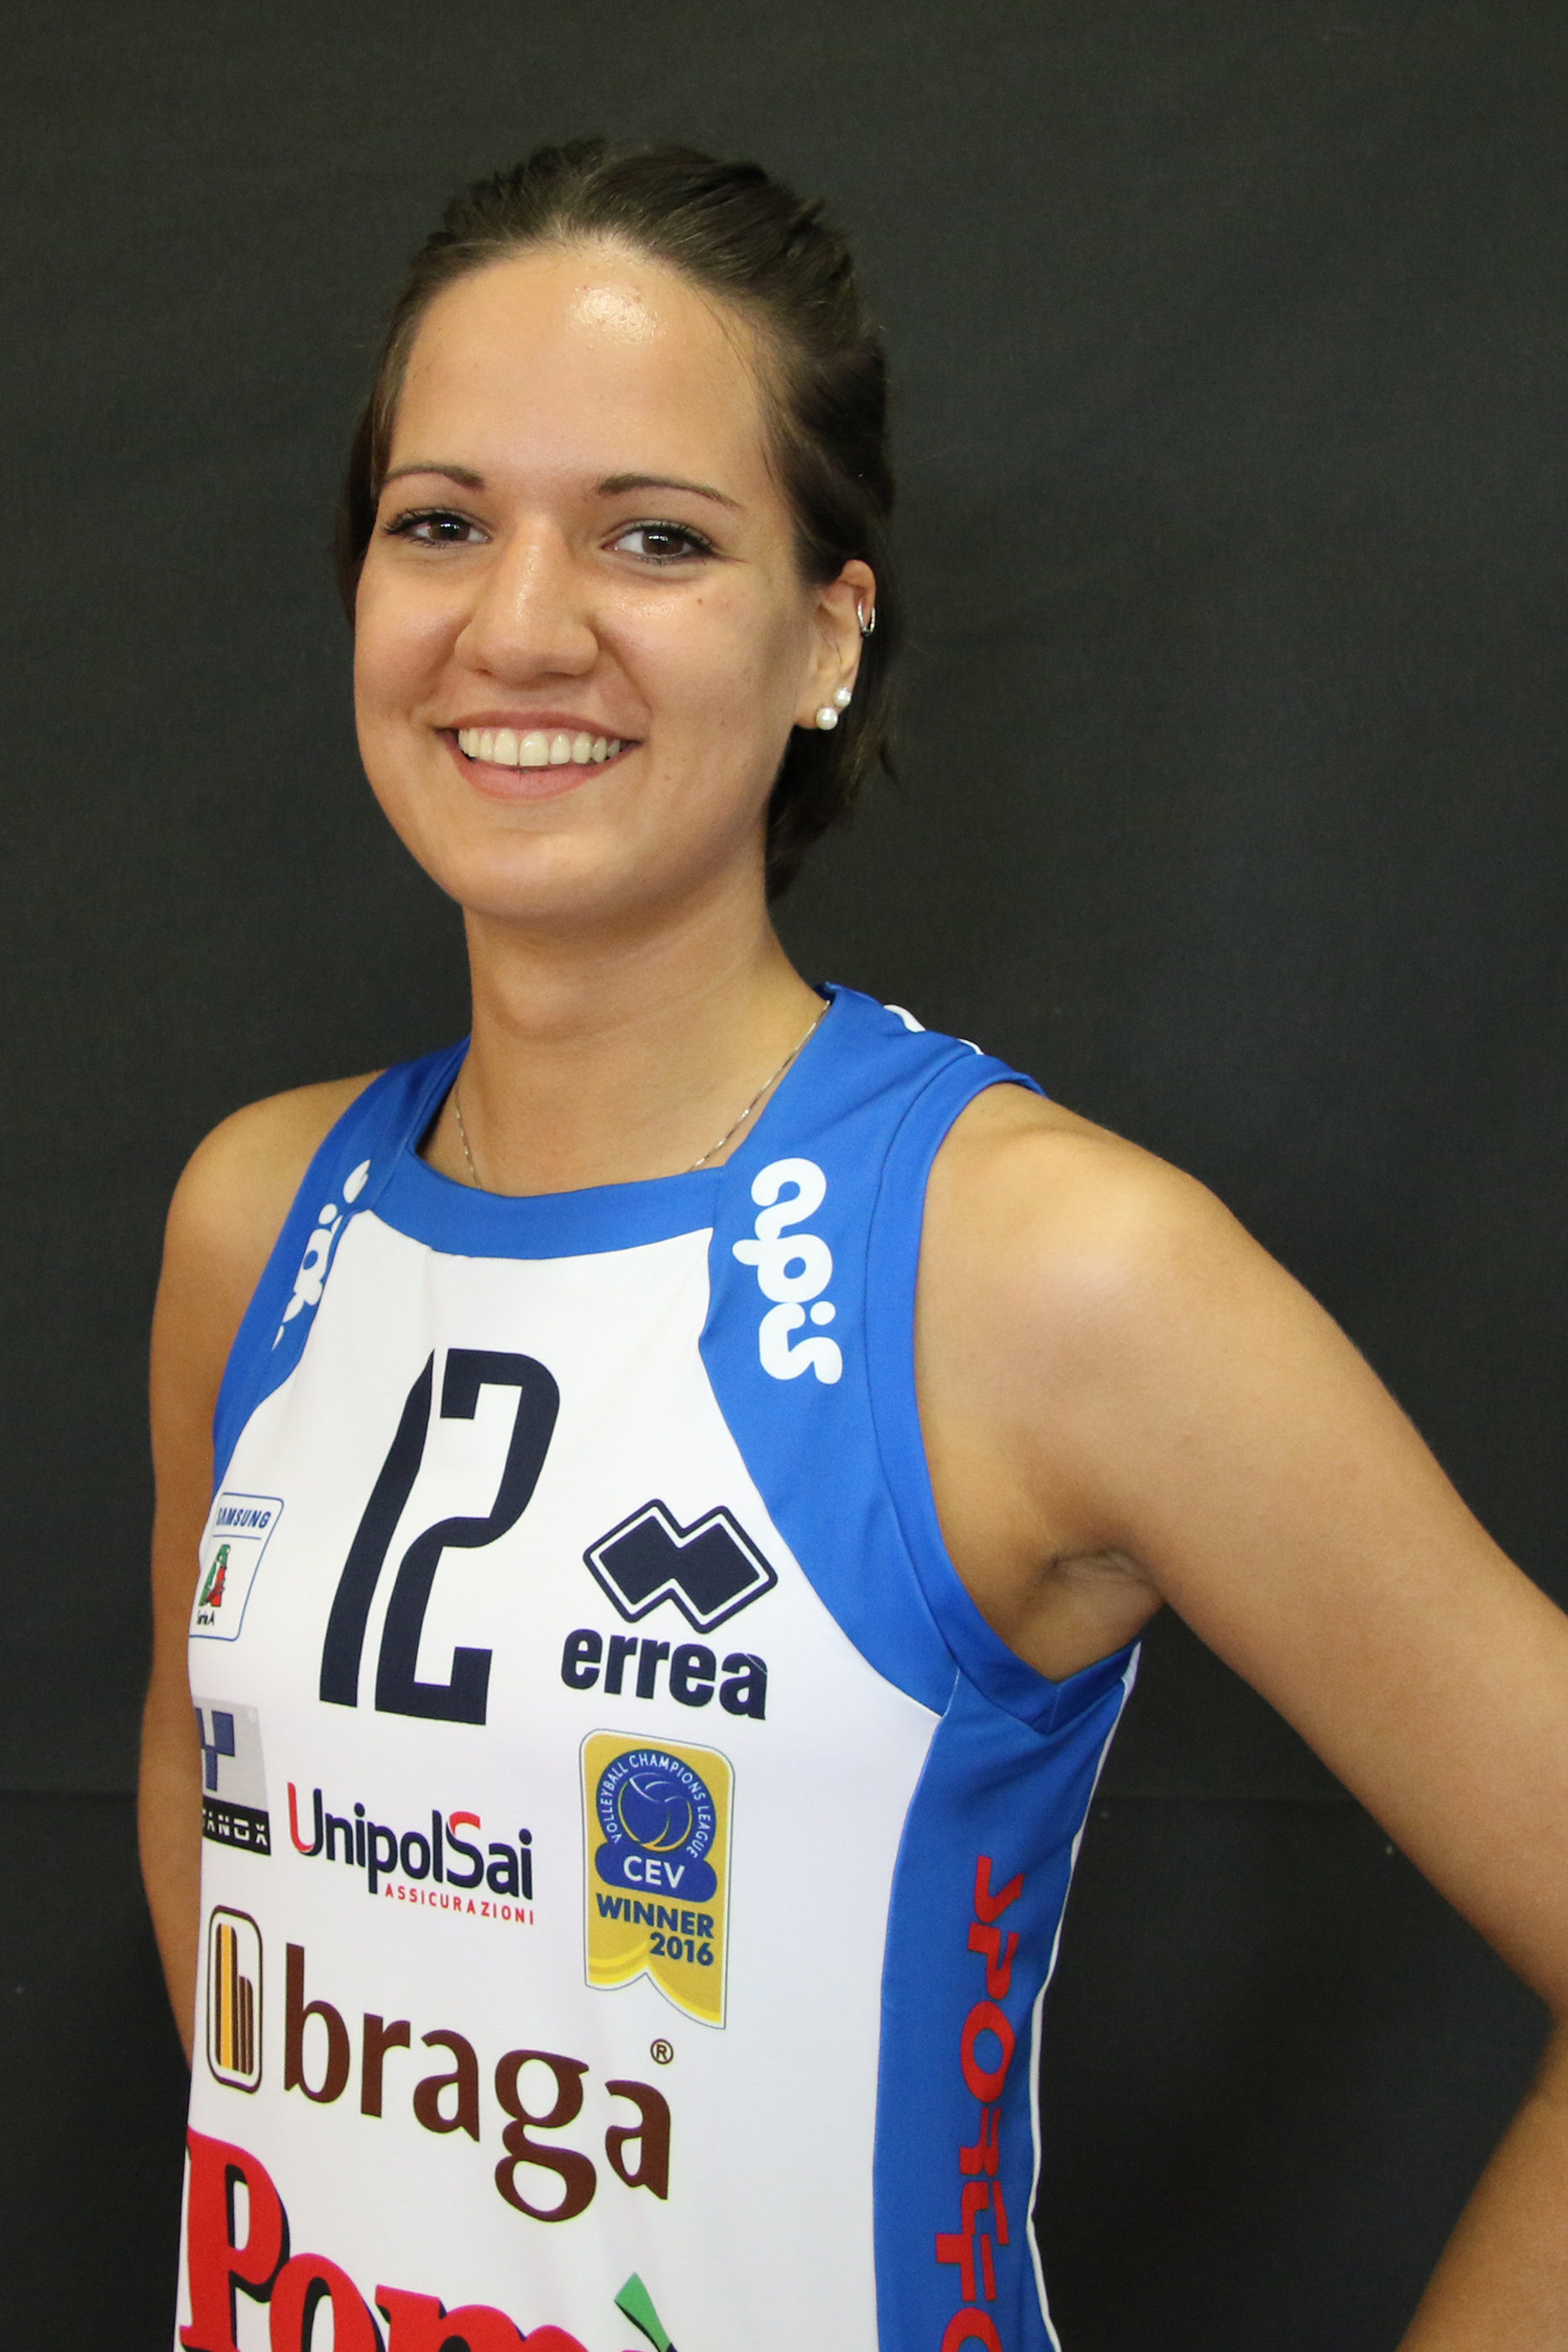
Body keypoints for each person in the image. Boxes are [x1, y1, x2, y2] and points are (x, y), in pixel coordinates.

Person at [139, 139, 1568, 2352]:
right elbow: (200, 1787)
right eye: (441, 521)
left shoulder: (1041, 1267)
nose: (519, 624)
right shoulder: (258, 1216)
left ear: (828, 630)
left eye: (654, 534)